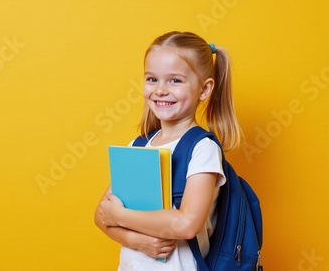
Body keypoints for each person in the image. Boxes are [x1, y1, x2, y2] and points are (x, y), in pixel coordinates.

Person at [94, 31, 241, 271]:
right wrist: (137, 241)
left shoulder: (202, 149)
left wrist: (119, 216)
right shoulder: (138, 146)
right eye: (152, 79)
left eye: (175, 80)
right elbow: (101, 216)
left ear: (204, 89)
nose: (161, 90)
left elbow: (187, 224)